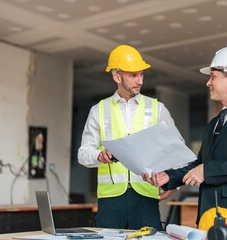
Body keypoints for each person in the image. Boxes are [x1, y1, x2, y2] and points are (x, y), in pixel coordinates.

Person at [144, 46, 227, 225]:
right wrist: (169, 177)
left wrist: (207, 171)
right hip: (209, 216)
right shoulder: (213, 123)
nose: (208, 83)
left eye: (213, 77)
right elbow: (200, 164)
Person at [78, 45, 183, 230]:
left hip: (146, 198)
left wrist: (175, 182)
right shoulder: (99, 110)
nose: (140, 80)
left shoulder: (157, 108)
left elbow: (177, 148)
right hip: (110, 201)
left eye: (142, 74)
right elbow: (83, 153)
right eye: (133, 75)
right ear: (117, 77)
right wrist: (99, 156)